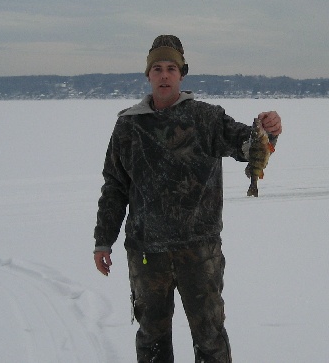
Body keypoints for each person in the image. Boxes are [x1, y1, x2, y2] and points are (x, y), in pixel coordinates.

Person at [93, 34, 282, 363]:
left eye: (171, 68)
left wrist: (270, 130)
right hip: (146, 253)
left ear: (181, 74)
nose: (164, 75)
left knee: (210, 337)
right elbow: (114, 186)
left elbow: (248, 145)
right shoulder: (128, 125)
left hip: (200, 252)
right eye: (157, 68)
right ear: (148, 75)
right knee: (151, 339)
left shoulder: (206, 118)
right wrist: (103, 240)